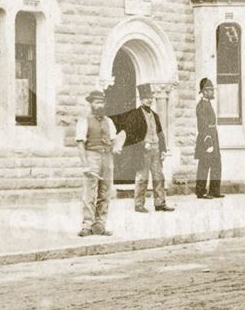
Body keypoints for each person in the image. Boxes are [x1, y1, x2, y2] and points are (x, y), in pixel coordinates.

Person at [111, 83, 174, 213]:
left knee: (159, 177)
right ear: (141, 99)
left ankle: (160, 203)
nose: (149, 100)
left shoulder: (155, 115)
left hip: (156, 149)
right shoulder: (135, 115)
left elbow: (160, 133)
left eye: (150, 97)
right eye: (146, 97)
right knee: (142, 177)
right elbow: (131, 134)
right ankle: (139, 204)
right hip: (143, 150)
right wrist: (142, 143)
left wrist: (163, 149)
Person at [74, 89, 121, 237]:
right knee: (90, 192)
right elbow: (80, 143)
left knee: (105, 192)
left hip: (107, 158)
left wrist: (117, 146)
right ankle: (87, 225)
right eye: (97, 102)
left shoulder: (109, 121)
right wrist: (85, 164)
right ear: (91, 104)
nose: (100, 105)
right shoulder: (84, 121)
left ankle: (100, 224)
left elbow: (114, 140)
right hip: (92, 156)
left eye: (102, 102)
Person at [194, 77, 223, 198]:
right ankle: (200, 192)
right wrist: (208, 143)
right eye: (210, 90)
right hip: (206, 139)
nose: (213, 92)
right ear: (204, 91)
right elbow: (202, 126)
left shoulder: (208, 104)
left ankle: (214, 191)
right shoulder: (201, 106)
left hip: (213, 138)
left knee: (216, 163)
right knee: (204, 166)